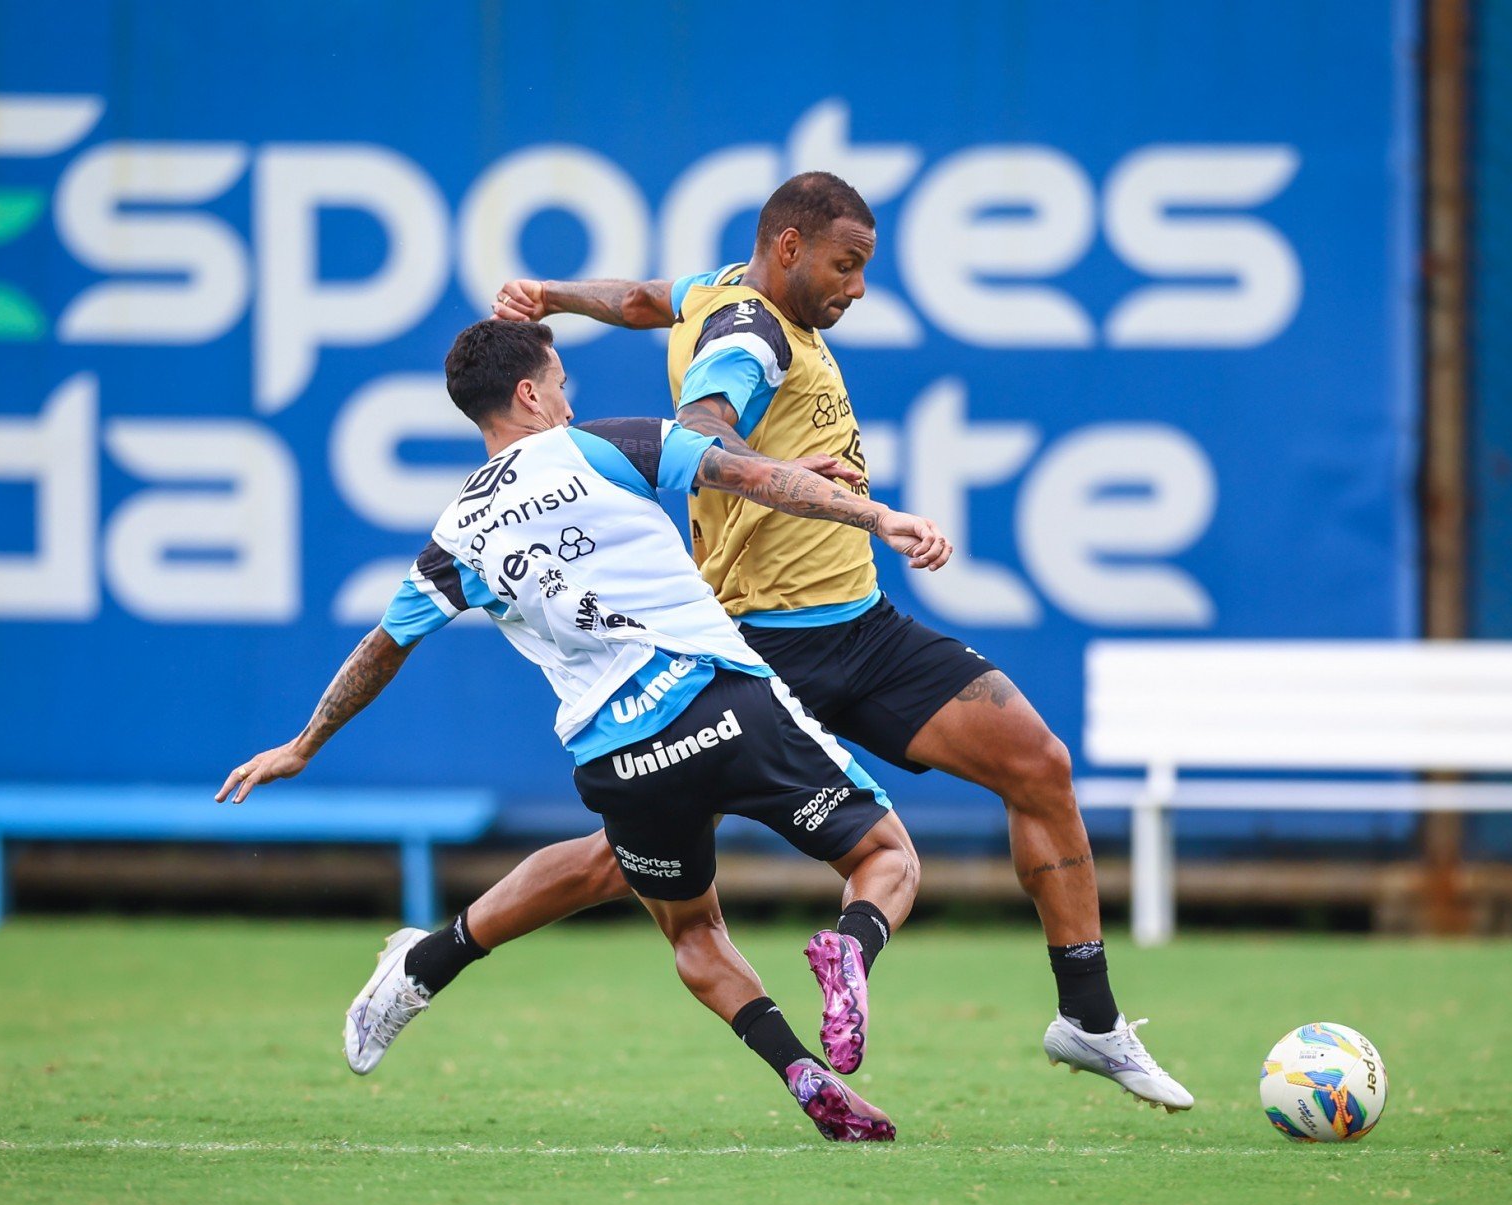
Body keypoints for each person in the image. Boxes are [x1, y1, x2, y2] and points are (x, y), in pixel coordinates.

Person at [487, 171, 1193, 1111]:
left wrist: (555, 297)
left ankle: (1089, 1020)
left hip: (861, 627)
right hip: (760, 653)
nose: (857, 286)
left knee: (1038, 764)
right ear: (787, 248)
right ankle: (431, 957)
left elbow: (645, 299)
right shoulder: (752, 332)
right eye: (845, 263)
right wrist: (793, 475)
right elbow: (703, 423)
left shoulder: (712, 294)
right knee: (618, 862)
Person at [217, 318, 954, 1142]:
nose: (570, 397)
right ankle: (853, 948)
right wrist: (873, 515)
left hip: (620, 755)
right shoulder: (605, 445)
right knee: (885, 857)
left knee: (691, 927)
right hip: (720, 702)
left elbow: (380, 650)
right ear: (530, 394)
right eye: (561, 381)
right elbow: (748, 478)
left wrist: (304, 744)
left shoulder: (456, 533)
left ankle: (795, 1067)